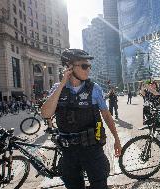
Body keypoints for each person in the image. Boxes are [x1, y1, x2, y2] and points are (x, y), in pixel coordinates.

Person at [41, 49, 122, 189]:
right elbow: (45, 113)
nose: (88, 69)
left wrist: (117, 139)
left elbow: (107, 115)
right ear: (69, 67)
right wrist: (62, 84)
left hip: (92, 149)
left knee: (100, 185)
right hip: (68, 151)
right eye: (84, 66)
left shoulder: (94, 88)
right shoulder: (57, 89)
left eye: (89, 66)